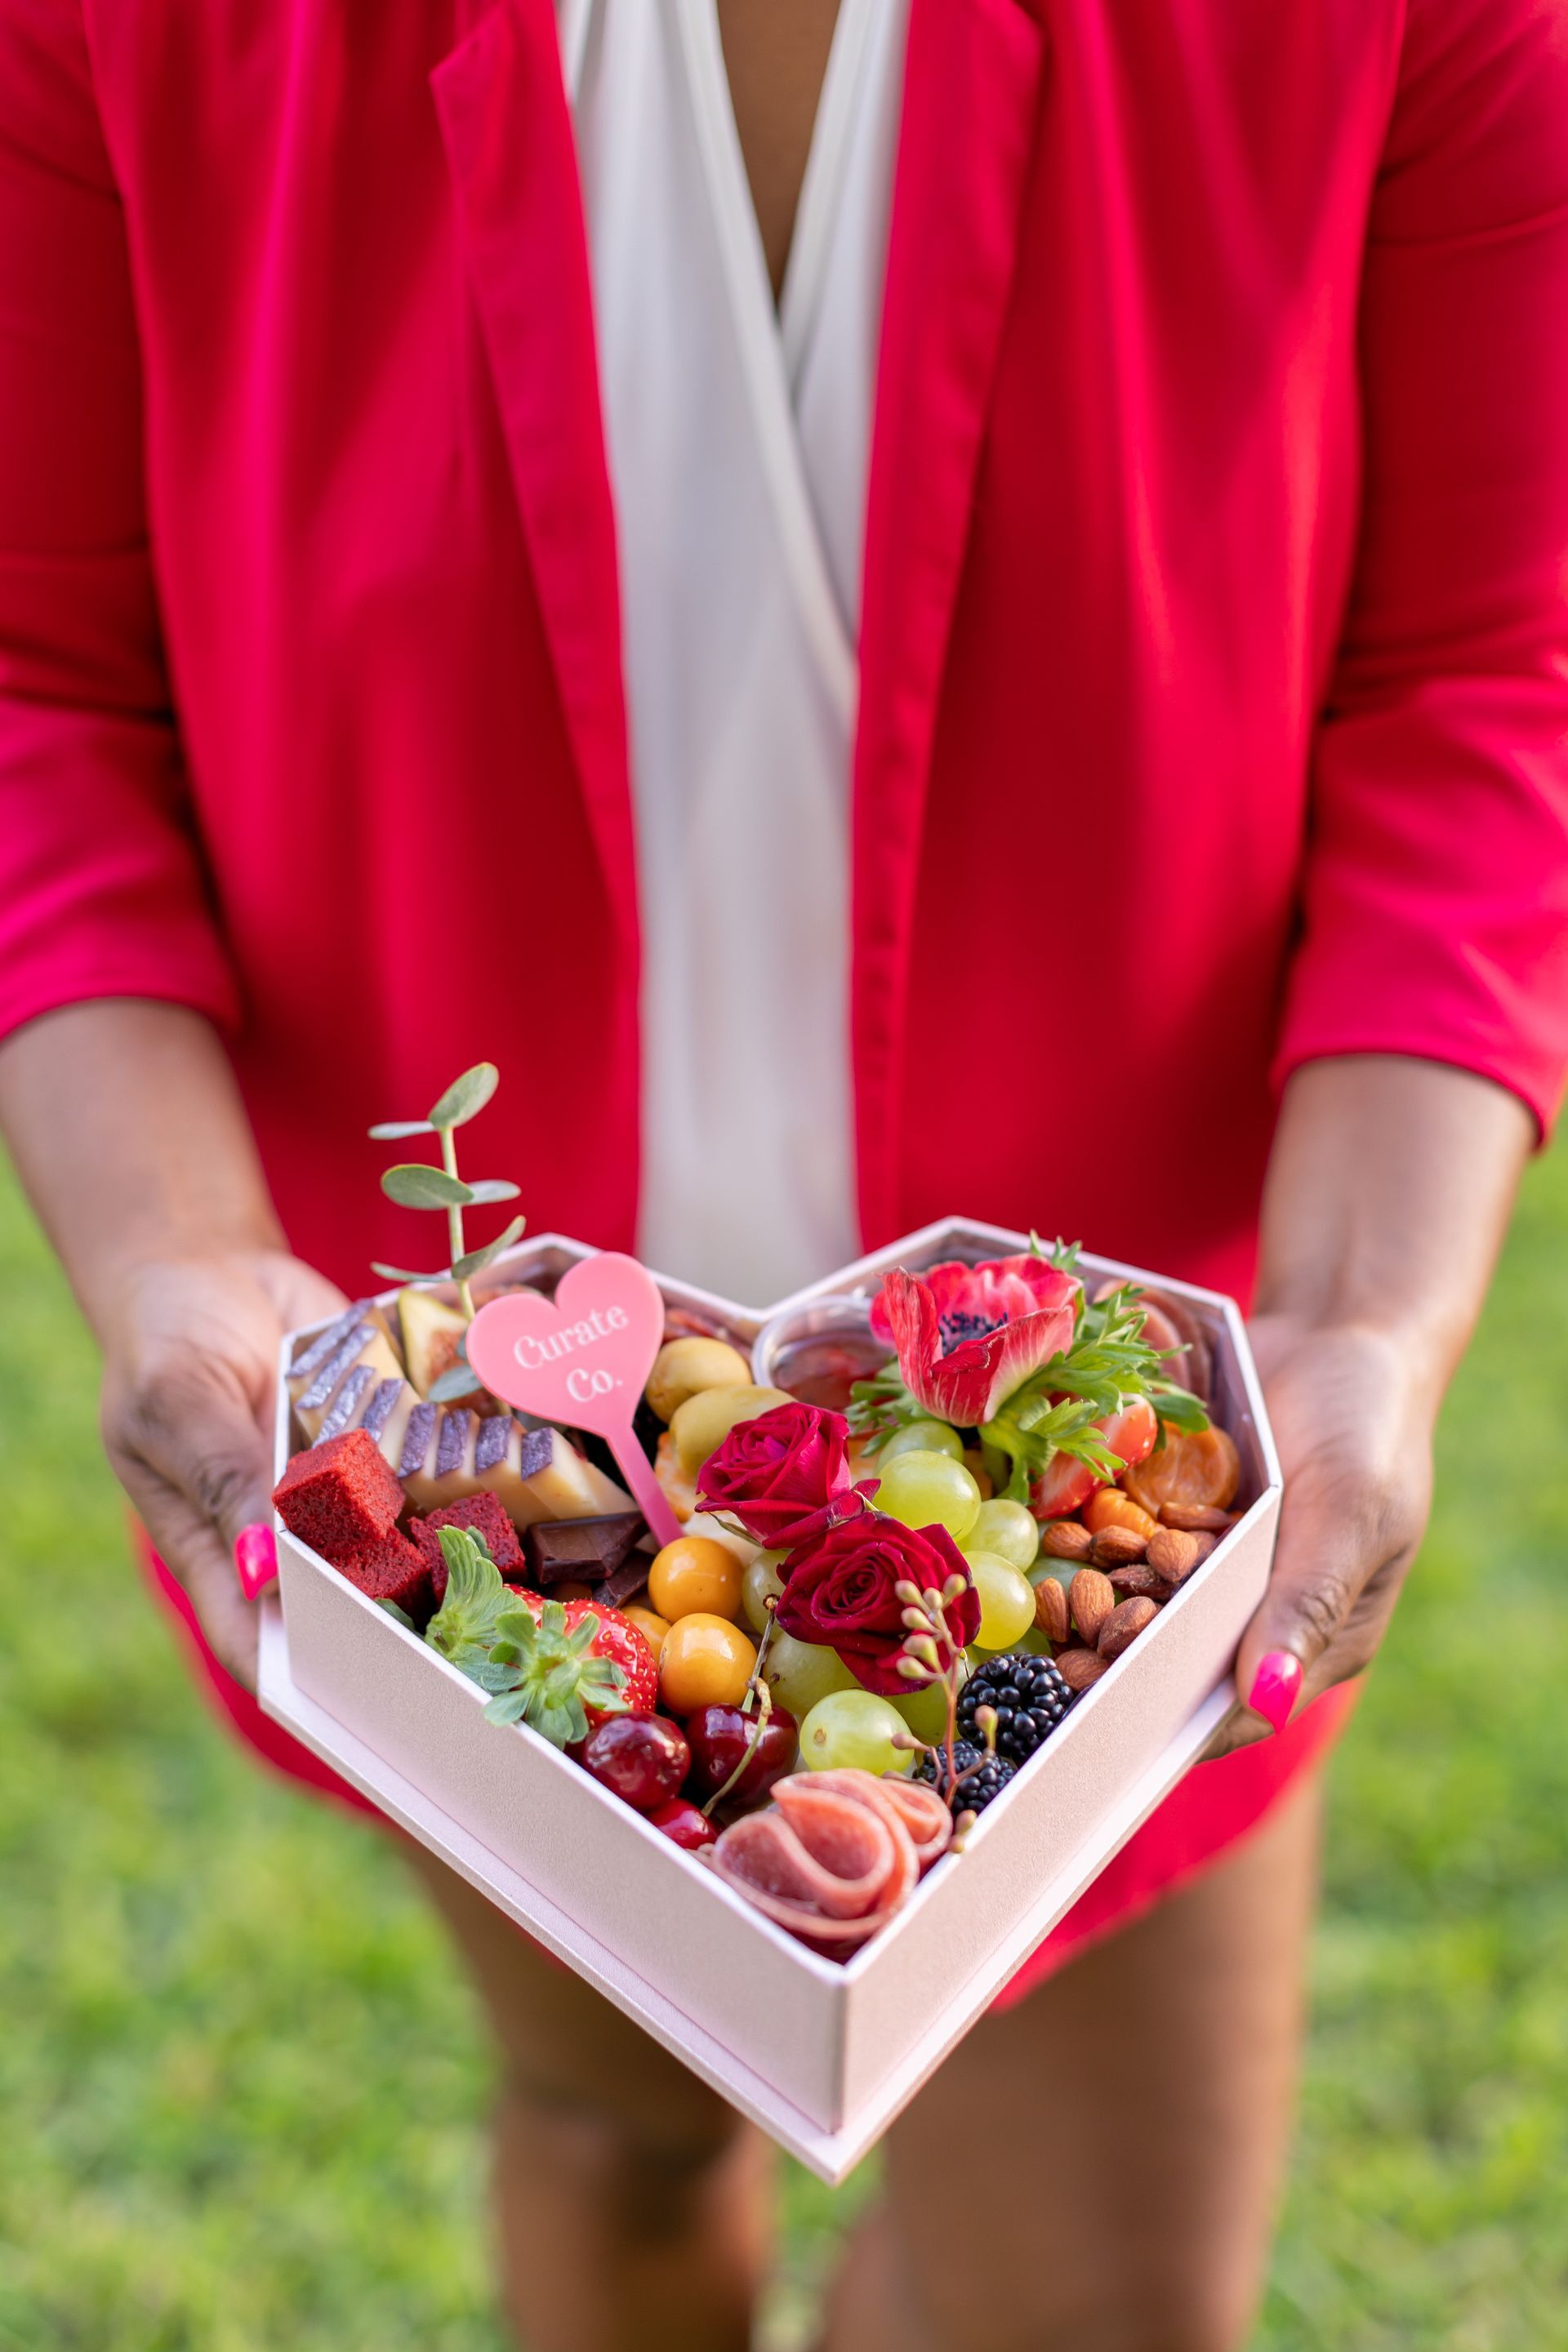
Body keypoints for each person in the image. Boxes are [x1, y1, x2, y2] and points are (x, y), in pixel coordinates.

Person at [2, 2, 1566, 2345]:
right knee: (620, 2122)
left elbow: (1487, 673)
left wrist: (1360, 1318)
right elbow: (37, 678)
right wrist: (171, 1249)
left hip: (1082, 1475)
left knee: (1098, 2304)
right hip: (472, 1473)